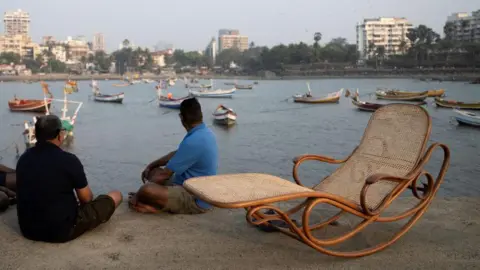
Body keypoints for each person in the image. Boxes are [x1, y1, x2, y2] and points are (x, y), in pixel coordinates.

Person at [16, 115, 123, 243]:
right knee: (116, 195)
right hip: (61, 231)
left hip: (28, 230)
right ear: (59, 136)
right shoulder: (69, 160)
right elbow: (86, 198)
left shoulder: (23, 159)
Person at [129, 97, 218, 214]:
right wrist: (151, 166)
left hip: (195, 198)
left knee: (147, 190)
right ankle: (154, 202)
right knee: (153, 172)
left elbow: (165, 175)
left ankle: (155, 208)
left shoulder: (195, 140)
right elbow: (175, 154)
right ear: (200, 115)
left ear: (181, 117)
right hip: (184, 183)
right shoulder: (204, 132)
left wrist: (138, 195)